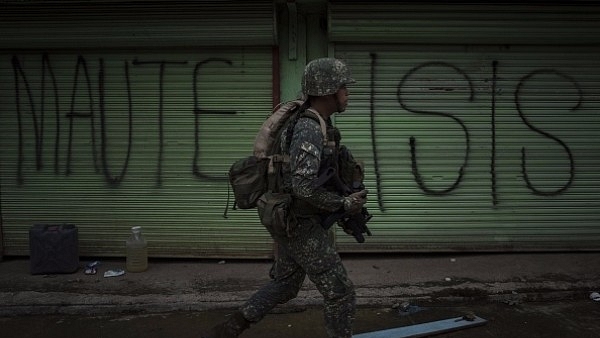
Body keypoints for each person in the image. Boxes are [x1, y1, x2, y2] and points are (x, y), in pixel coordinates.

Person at [203, 57, 367, 338]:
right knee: (340, 292)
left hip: (291, 218)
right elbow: (303, 187)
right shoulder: (309, 128)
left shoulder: (316, 123)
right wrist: (342, 204)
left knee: (286, 285)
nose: (347, 93)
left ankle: (228, 329)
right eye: (343, 88)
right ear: (327, 90)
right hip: (299, 221)